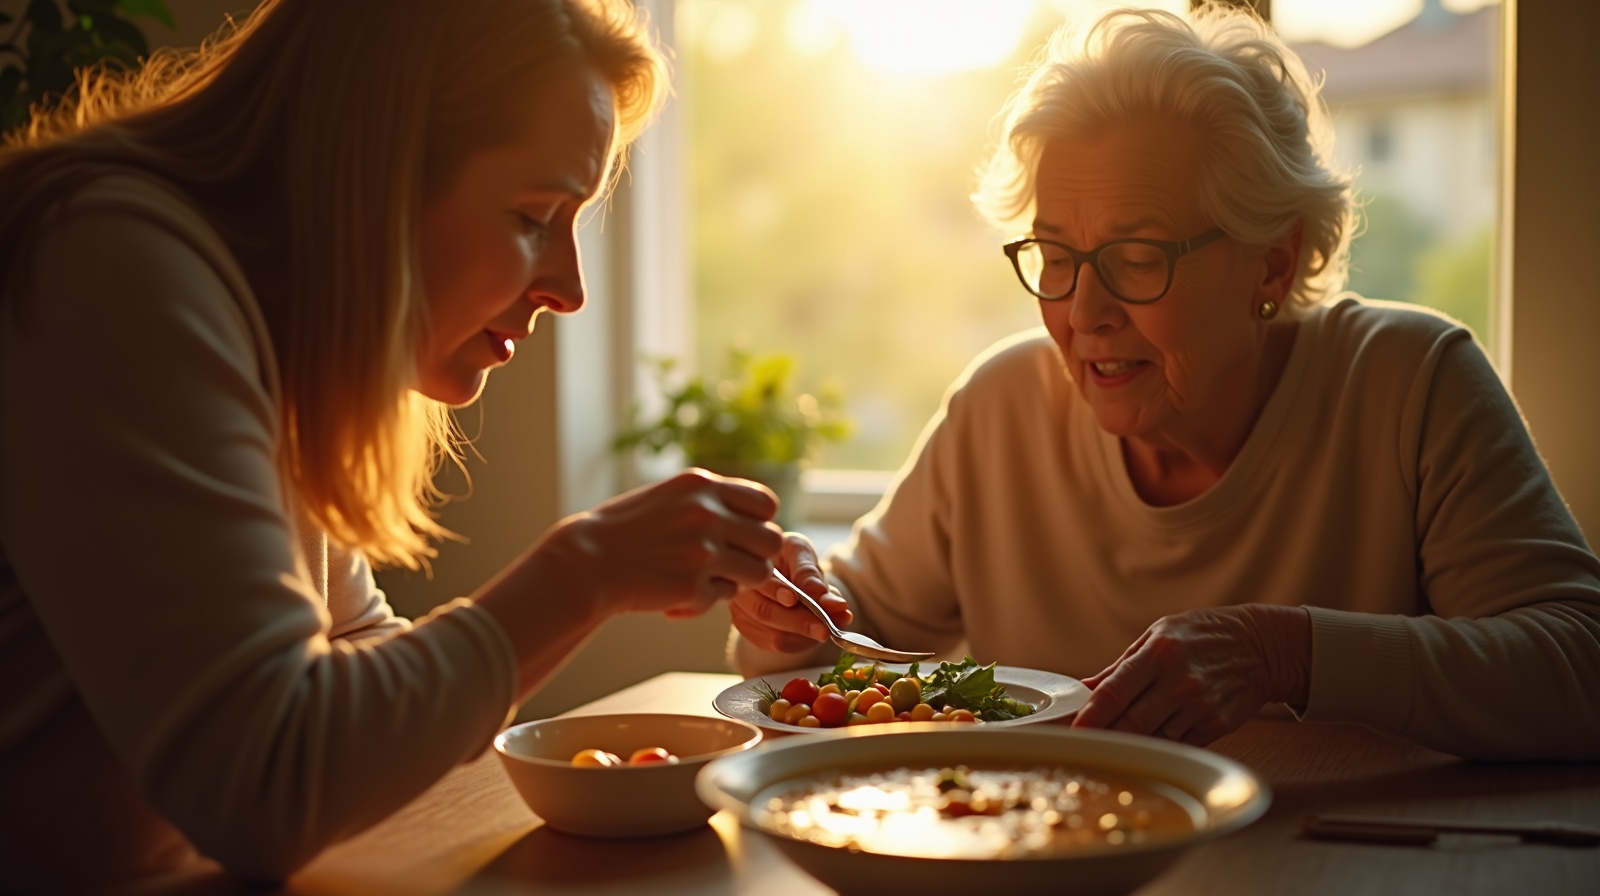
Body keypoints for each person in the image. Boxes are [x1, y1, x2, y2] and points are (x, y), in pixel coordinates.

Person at [0, 0, 782, 888]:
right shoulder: (113, 267)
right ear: (369, 174)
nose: (569, 290)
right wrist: (586, 571)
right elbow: (269, 779)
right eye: (534, 216)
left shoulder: (276, 340)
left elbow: (352, 655)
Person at [730, 4, 1600, 761]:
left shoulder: (1410, 384)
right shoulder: (1001, 408)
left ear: (1274, 261)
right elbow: (843, 649)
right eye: (1058, 257)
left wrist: (1284, 652)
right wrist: (790, 615)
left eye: (1137, 257)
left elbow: (1580, 664)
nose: (1083, 310)